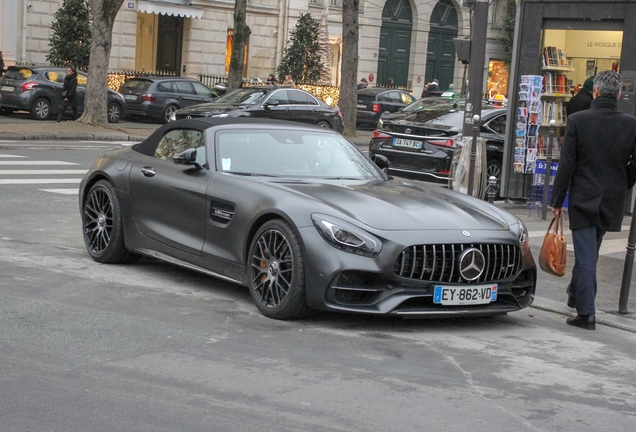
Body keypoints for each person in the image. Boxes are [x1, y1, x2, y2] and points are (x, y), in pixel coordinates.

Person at [550, 70, 636, 330]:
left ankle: (586, 313)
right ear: (618, 94)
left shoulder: (578, 120)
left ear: (596, 91)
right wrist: (624, 182)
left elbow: (567, 164)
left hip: (584, 195)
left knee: (587, 255)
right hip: (612, 197)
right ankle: (576, 293)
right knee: (591, 252)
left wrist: (557, 200)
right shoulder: (631, 124)